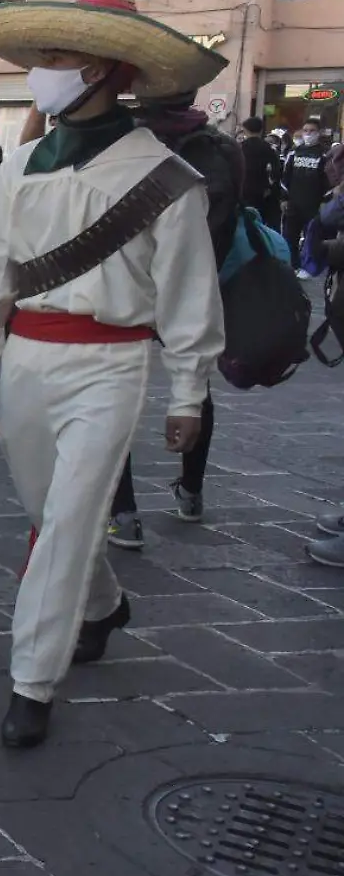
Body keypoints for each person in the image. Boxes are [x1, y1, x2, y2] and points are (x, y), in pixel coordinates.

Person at [0, 0, 226, 748]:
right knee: (49, 509)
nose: (45, 69)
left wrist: (188, 394)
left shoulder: (167, 178)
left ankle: (32, 681)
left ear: (110, 69)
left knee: (71, 519)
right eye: (44, 56)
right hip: (28, 360)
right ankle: (104, 605)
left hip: (110, 365)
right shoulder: (23, 162)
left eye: (62, 55)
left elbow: (186, 294)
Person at [103, 88, 243, 546]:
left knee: (115, 389)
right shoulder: (222, 148)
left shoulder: (127, 145)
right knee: (195, 388)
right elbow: (238, 211)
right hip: (199, 279)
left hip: (132, 285)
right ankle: (191, 492)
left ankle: (123, 513)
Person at [283, 118, 332, 275]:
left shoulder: (325, 154)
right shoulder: (294, 152)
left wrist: (325, 201)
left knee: (311, 237)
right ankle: (292, 264)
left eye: (312, 131)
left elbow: (329, 181)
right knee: (290, 235)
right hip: (293, 203)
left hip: (314, 203)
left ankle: (307, 266)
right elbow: (285, 177)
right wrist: (283, 198)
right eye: (305, 131)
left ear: (319, 133)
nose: (308, 134)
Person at [237, 117, 283, 231]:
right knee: (260, 224)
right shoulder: (269, 148)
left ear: (245, 130)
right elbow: (276, 170)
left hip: (243, 191)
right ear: (261, 130)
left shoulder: (239, 147)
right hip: (263, 193)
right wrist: (269, 186)